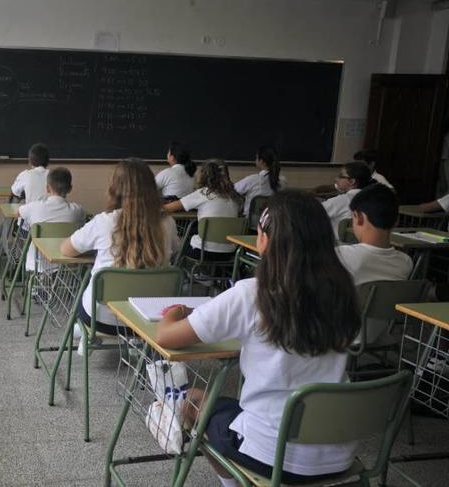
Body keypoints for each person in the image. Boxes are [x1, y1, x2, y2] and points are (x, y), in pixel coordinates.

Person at [155, 190, 362, 486]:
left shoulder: (251, 293)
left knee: (193, 403)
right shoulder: (344, 291)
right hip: (339, 454)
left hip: (274, 454)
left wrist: (173, 312)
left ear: (265, 238)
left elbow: (167, 336)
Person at [60, 158, 180, 334]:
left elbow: (66, 250)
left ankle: (85, 334)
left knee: (88, 280)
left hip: (100, 319)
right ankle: (134, 344)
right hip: (149, 320)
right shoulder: (168, 223)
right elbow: (174, 250)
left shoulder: (104, 221)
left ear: (115, 188)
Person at [337, 183, 412, 344]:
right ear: (396, 221)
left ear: (359, 217)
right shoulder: (406, 262)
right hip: (379, 335)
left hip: (338, 333)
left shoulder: (343, 255)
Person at [163, 159, 242, 257]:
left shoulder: (203, 193)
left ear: (204, 175)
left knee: (179, 241)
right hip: (230, 252)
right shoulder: (235, 197)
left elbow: (167, 208)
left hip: (202, 251)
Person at [18, 167, 85, 271]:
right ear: (70, 188)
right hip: (66, 266)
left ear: (47, 188)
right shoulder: (78, 210)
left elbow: (19, 212)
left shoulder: (34, 207)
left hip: (38, 264)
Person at [321, 161, 373, 238]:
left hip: (338, 246)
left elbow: (311, 213)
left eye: (340, 176)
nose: (336, 179)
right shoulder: (373, 199)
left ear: (352, 181)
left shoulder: (342, 200)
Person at [234, 145, 286, 215]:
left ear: (261, 161)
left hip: (251, 224)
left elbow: (232, 190)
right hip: (272, 222)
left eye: (256, 157)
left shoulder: (252, 180)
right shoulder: (282, 181)